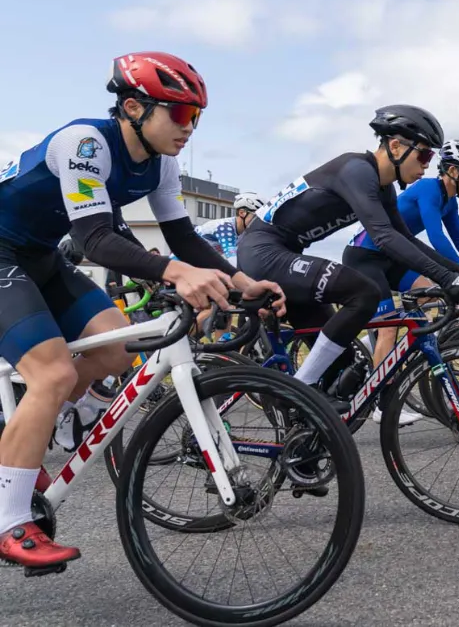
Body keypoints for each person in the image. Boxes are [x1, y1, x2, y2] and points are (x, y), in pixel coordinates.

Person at [0, 51, 285, 571]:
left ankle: (37, 429)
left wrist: (242, 282)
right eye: (180, 114)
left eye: (196, 117)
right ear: (133, 107)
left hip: (39, 256)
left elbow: (183, 238)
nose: (189, 127)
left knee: (119, 347)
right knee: (52, 372)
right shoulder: (85, 143)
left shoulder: (162, 163)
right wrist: (174, 273)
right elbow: (94, 239)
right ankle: (10, 521)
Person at [236, 104, 459, 427]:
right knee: (363, 293)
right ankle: (298, 393)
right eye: (424, 155)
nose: (427, 165)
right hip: (263, 252)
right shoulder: (357, 170)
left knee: (343, 361)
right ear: (396, 146)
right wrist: (447, 279)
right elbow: (384, 237)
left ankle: (306, 438)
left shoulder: (384, 188)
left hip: (284, 253)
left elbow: (407, 239)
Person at [343, 139, 459, 424]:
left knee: (429, 293)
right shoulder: (428, 189)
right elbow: (437, 238)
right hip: (366, 256)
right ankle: (381, 404)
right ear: (452, 170)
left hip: (393, 258)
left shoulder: (449, 202)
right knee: (389, 329)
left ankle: (376, 342)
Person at [195, 192, 265, 267]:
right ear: (242, 213)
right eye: (256, 217)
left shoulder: (245, 232)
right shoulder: (225, 228)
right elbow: (233, 260)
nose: (259, 221)